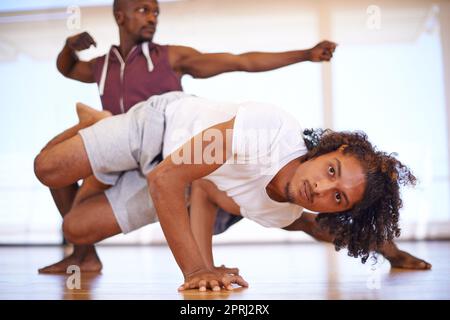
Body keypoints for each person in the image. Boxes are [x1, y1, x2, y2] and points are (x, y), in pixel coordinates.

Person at [44, 0, 337, 273]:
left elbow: (240, 61)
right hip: (123, 147)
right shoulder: (102, 65)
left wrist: (305, 54)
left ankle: (96, 128)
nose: (152, 17)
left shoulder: (171, 56)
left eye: (155, 12)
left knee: (74, 222)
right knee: (53, 171)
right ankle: (83, 255)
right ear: (120, 16)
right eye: (143, 10)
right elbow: (68, 68)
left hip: (164, 156)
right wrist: (69, 48)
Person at [34, 92, 428, 291]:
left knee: (76, 230)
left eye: (338, 197)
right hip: (158, 128)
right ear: (325, 151)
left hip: (175, 177)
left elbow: (205, 190)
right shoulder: (268, 130)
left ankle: (104, 159)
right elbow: (165, 181)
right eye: (331, 170)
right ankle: (102, 124)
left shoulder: (283, 214)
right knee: (47, 169)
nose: (322, 187)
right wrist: (197, 269)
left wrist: (388, 250)